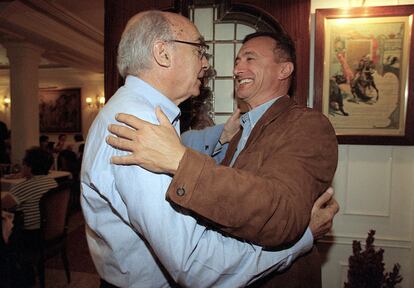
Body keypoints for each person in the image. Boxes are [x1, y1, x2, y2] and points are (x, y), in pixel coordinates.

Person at [81, 10, 337, 288]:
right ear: (163, 54)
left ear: (284, 69)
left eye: (250, 59)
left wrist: (182, 159)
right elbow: (196, 263)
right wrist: (302, 240)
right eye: (199, 50)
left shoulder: (303, 124)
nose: (209, 64)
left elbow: (273, 208)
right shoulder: (139, 125)